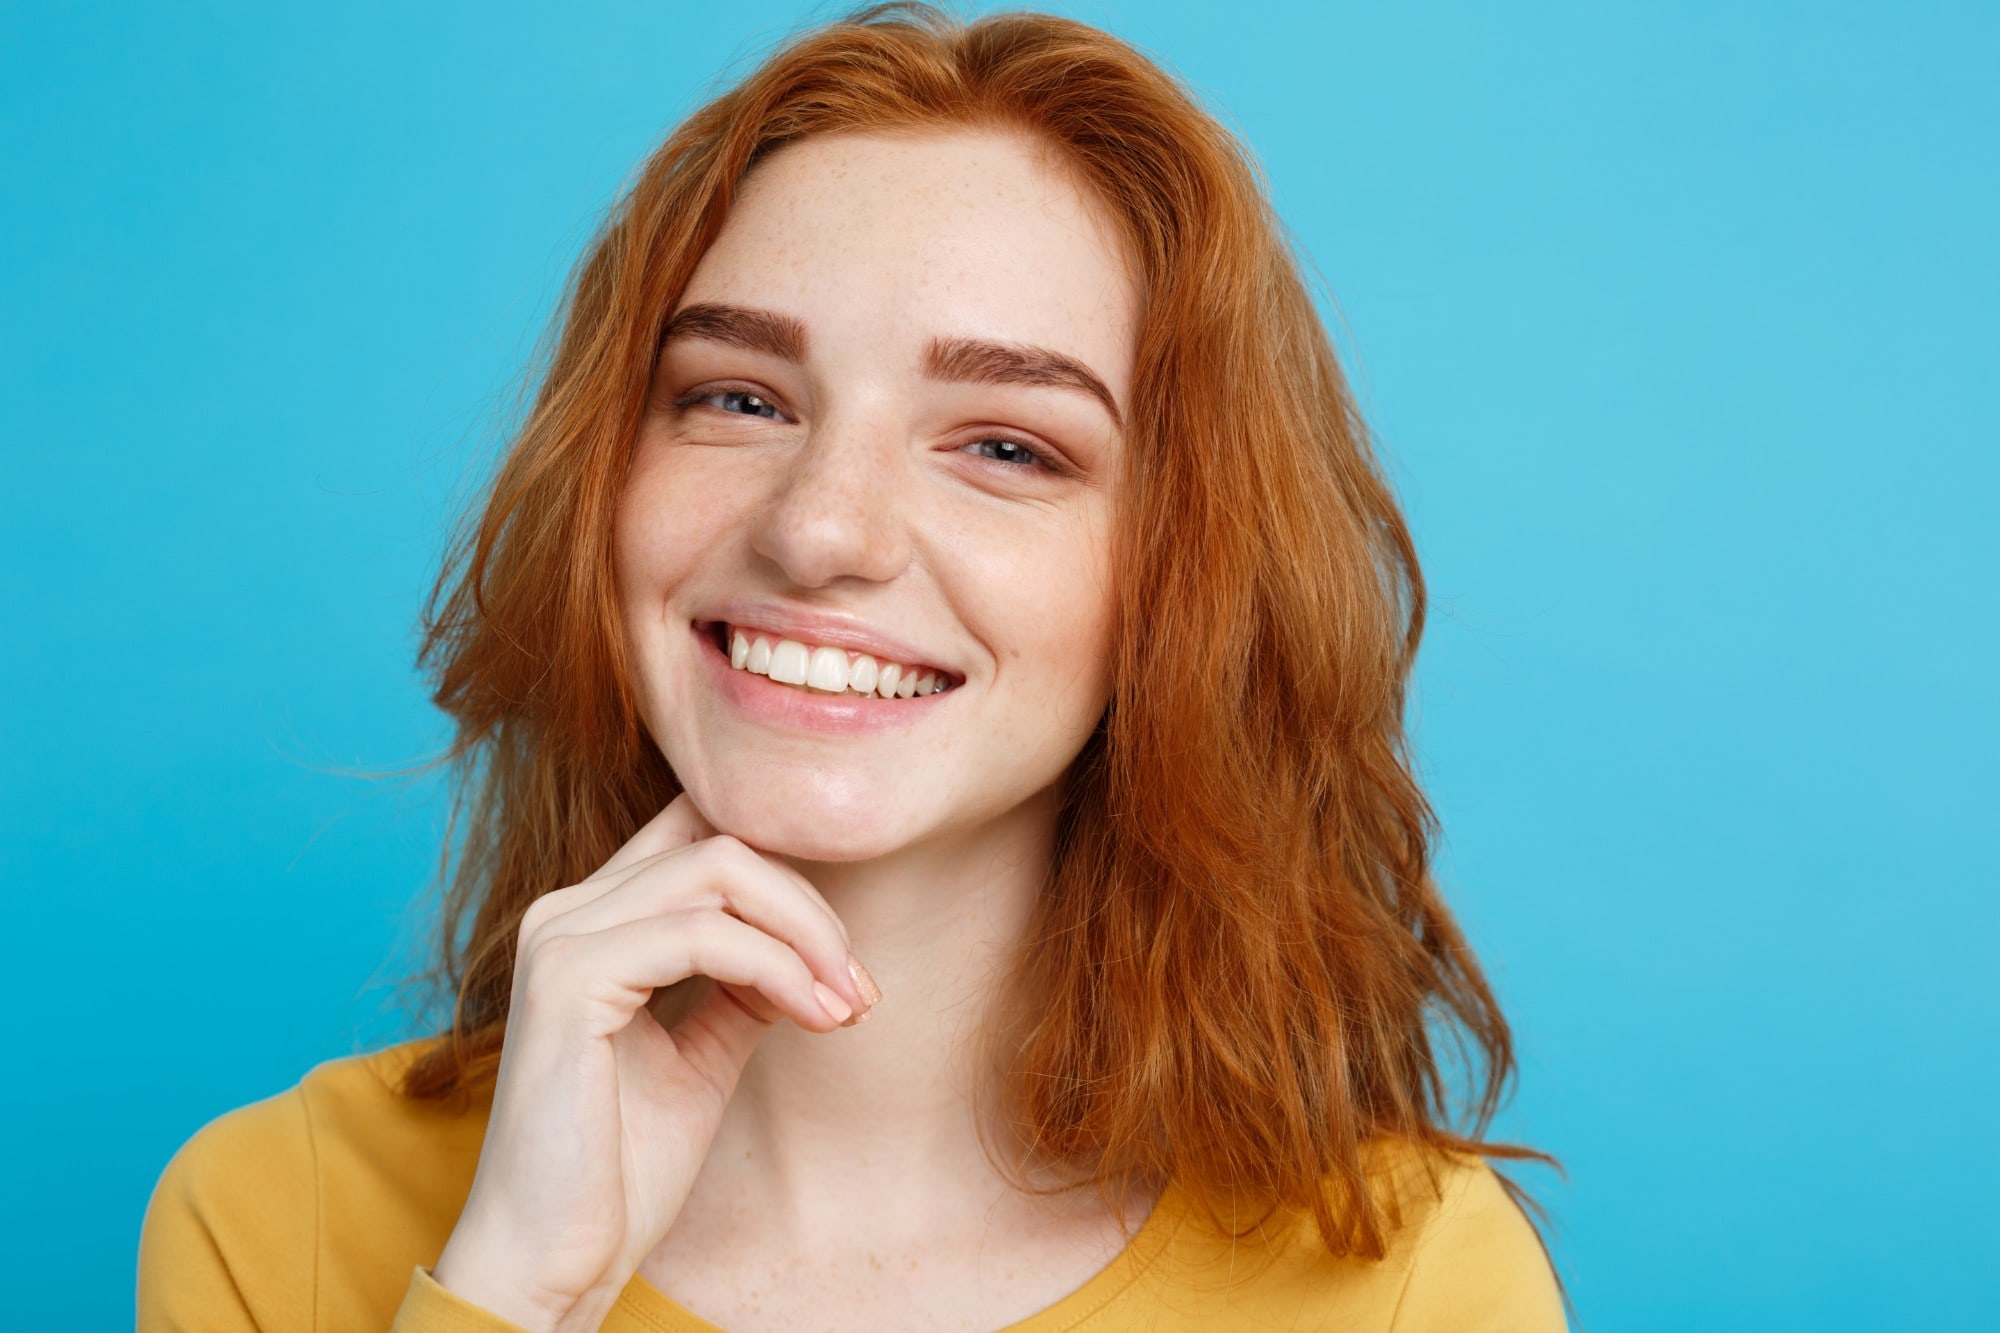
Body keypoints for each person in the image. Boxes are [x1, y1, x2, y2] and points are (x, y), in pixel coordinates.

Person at [138, 5, 1566, 1330]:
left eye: (1007, 444)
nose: (819, 529)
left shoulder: (1414, 1284)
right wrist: (511, 1290)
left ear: (1183, 580)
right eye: (739, 398)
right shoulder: (282, 1218)